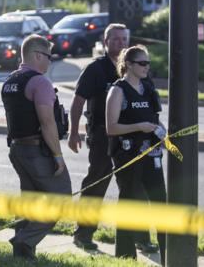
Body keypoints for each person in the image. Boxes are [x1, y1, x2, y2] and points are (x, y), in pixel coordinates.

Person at [68, 23, 157, 252]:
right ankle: (83, 234)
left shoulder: (138, 68)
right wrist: (73, 131)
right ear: (105, 42)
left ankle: (140, 237)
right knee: (97, 183)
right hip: (103, 135)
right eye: (116, 39)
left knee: (134, 188)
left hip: (135, 139)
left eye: (124, 39)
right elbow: (78, 101)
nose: (121, 43)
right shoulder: (96, 69)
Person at [1, 34, 71, 260]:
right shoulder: (40, 82)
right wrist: (58, 156)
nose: (50, 62)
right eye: (49, 57)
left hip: (18, 149)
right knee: (61, 197)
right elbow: (47, 122)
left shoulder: (11, 80)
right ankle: (24, 240)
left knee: (28, 201)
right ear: (37, 55)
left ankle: (22, 252)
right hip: (37, 150)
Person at [105, 45, 167, 265]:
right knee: (129, 204)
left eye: (148, 63)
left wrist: (162, 134)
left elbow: (155, 118)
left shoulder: (148, 88)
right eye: (142, 63)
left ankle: (168, 255)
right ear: (129, 65)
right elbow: (111, 128)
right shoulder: (118, 90)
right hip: (127, 156)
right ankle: (125, 258)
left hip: (152, 155)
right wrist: (138, 126)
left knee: (161, 204)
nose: (146, 67)